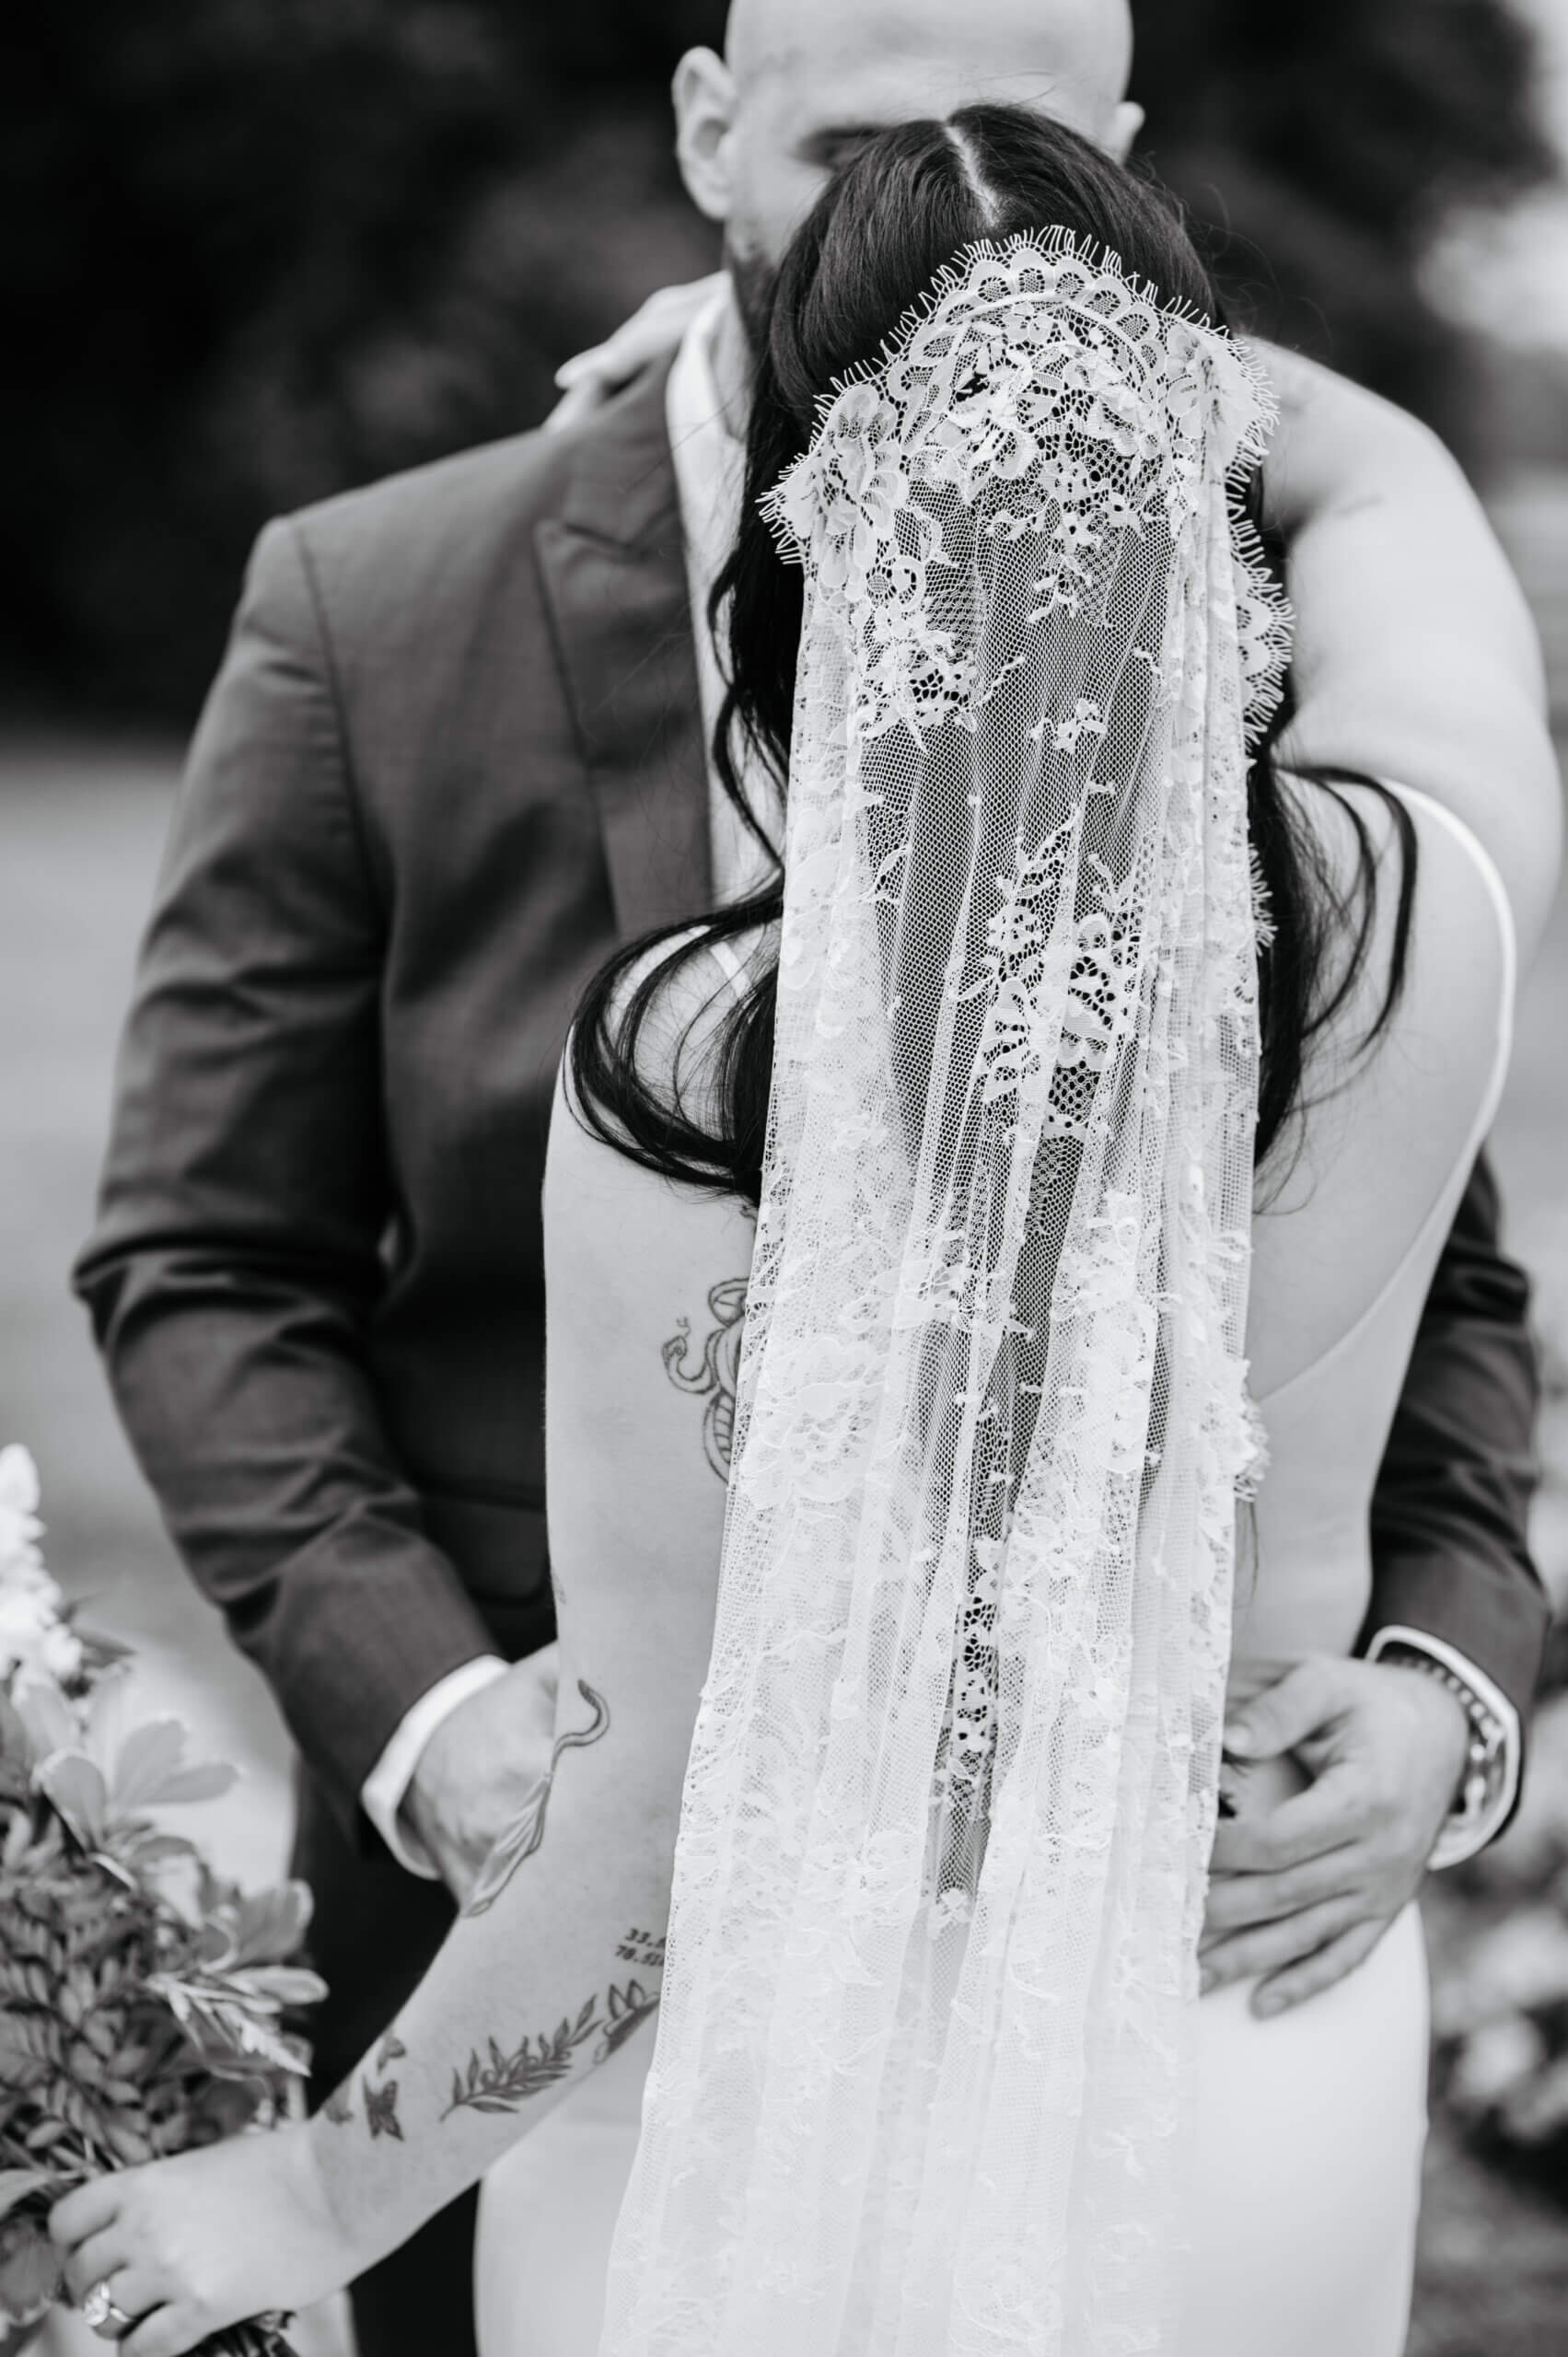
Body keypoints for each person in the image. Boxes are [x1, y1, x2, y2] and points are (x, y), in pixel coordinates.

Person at [66, 6, 1556, 2355]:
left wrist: (310, 2194)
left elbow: (653, 1810)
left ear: (812, 535)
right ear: (1188, 431)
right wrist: (1051, 307)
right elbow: (1406, 517)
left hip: (754, 2096)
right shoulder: (1425, 909)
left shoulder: (702, 1067)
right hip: (1234, 2057)